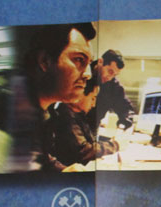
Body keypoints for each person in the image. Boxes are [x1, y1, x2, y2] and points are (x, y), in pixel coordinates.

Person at [8, 22, 96, 172]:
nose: (88, 74)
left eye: (89, 63)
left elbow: (42, 158)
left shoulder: (45, 112)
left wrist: (64, 171)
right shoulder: (14, 116)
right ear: (45, 61)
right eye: (79, 59)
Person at [48, 81, 118, 167]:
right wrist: (115, 145)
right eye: (93, 98)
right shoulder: (65, 117)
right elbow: (85, 151)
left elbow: (90, 143)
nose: (94, 104)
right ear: (79, 94)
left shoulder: (78, 115)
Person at [93, 49, 135, 130]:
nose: (110, 78)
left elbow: (126, 108)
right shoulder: (83, 74)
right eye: (110, 71)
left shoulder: (112, 85)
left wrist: (123, 124)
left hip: (92, 129)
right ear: (100, 62)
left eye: (115, 75)